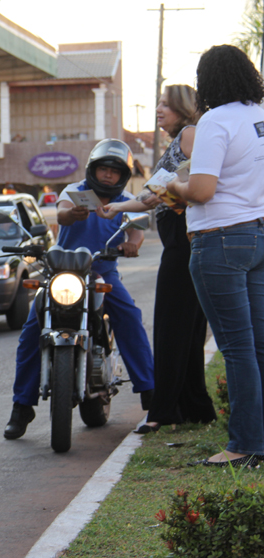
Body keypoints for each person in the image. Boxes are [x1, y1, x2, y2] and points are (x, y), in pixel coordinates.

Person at [4, 139, 155, 439]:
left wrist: (131, 245)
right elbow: (61, 213)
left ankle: (151, 395)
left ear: (123, 175)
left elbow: (137, 229)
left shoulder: (125, 201)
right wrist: (73, 215)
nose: (108, 176)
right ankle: (22, 406)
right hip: (63, 271)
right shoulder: (74, 192)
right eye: (103, 169)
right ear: (92, 169)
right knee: (32, 331)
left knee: (130, 318)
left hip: (102, 272)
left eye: (114, 171)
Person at [98, 85, 216, 434]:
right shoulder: (176, 141)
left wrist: (128, 204)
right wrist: (118, 206)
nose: (159, 110)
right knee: (186, 330)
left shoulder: (192, 134)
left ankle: (164, 411)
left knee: (172, 328)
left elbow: (192, 186)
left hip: (184, 245)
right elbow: (152, 197)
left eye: (165, 104)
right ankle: (194, 408)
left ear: (183, 108)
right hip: (178, 246)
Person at [166, 45, 264, 468]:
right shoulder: (259, 114)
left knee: (238, 349)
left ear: (208, 81)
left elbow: (202, 191)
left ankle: (244, 444)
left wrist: (174, 186)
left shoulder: (215, 120)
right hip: (259, 234)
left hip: (220, 239)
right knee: (258, 348)